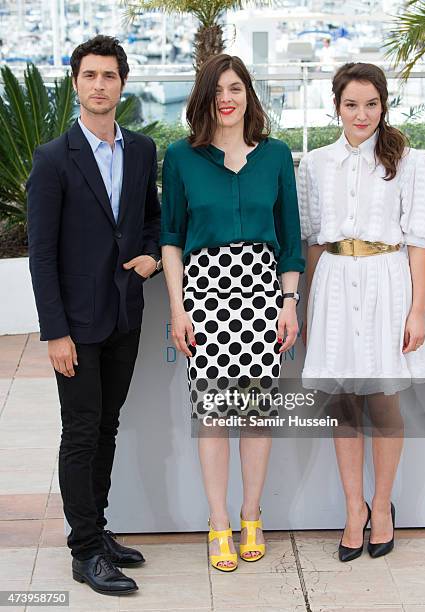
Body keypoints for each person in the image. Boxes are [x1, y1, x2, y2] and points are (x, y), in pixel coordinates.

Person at [27, 35, 161, 595]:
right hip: (76, 326)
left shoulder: (141, 150)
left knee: (107, 426)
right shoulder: (54, 158)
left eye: (109, 75)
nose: (100, 85)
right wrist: (55, 331)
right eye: (90, 75)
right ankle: (84, 551)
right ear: (76, 83)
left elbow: (151, 220)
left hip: (125, 314)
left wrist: (152, 259)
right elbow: (42, 253)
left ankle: (97, 531)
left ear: (122, 84)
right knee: (80, 432)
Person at [161, 54, 304, 572]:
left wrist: (289, 304)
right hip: (205, 298)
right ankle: (218, 521)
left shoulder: (277, 157)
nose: (227, 98)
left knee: (256, 418)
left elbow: (290, 240)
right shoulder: (180, 157)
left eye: (236, 88)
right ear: (205, 98)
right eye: (218, 89)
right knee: (214, 419)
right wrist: (178, 309)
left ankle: (251, 515)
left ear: (249, 96)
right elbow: (171, 240)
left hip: (264, 295)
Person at [298, 62, 425, 561]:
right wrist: (303, 304)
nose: (361, 115)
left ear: (384, 105)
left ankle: (382, 506)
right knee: (342, 404)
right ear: (335, 106)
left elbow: (420, 241)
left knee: (382, 400)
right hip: (334, 284)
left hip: (388, 283)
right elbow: (312, 241)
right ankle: (352, 509)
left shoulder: (409, 161)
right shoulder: (315, 163)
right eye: (351, 104)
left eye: (371, 104)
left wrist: (418, 310)